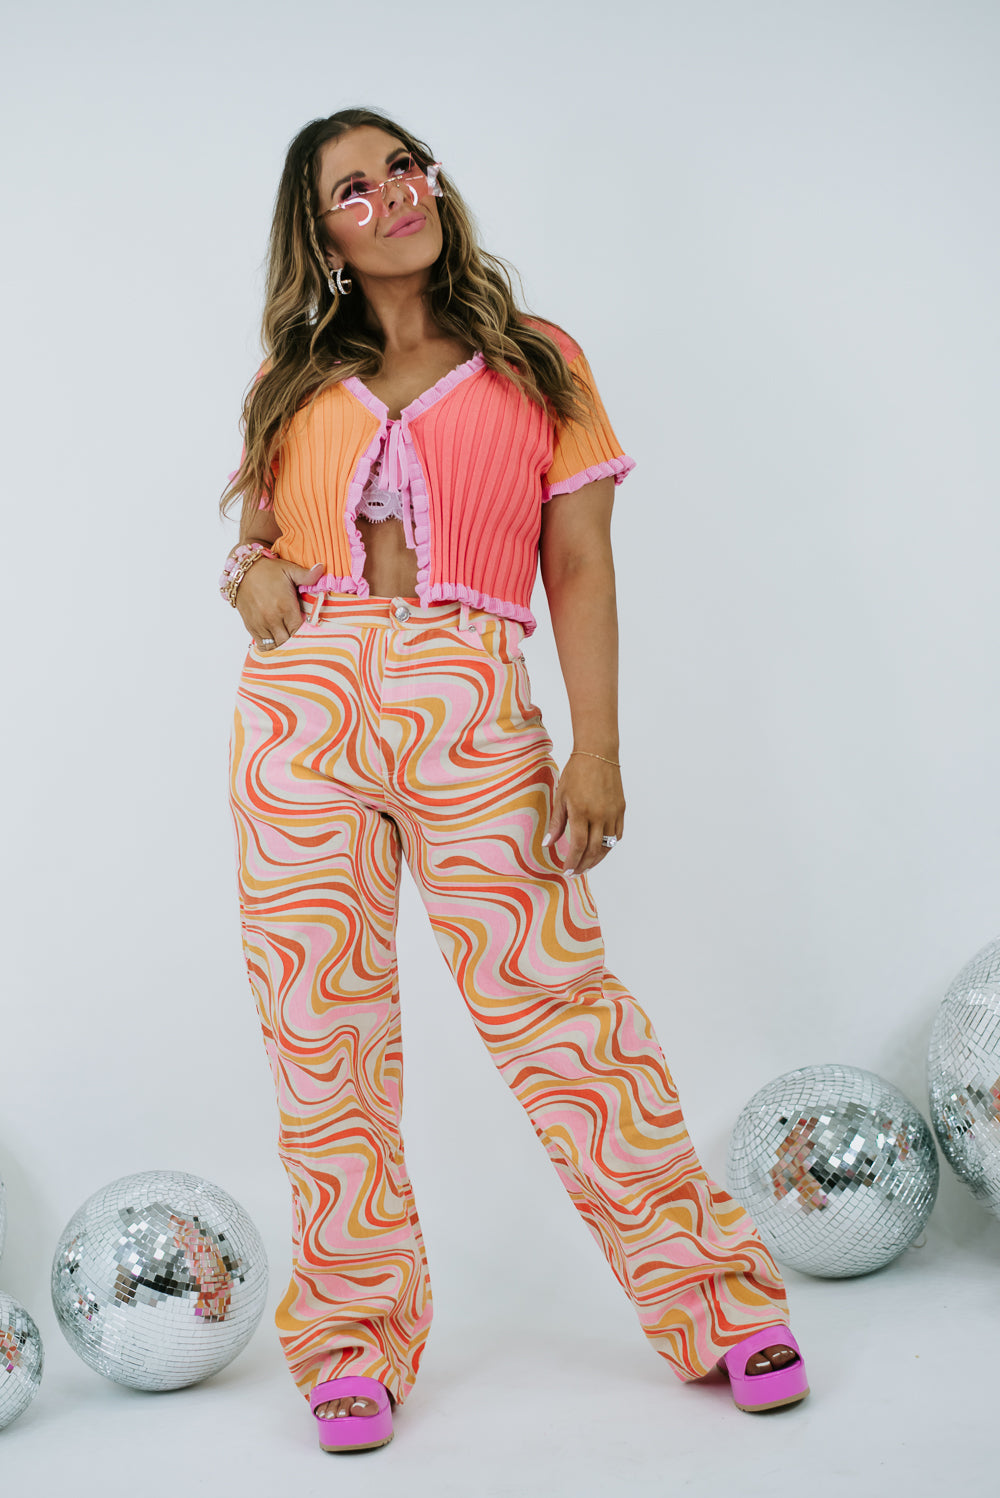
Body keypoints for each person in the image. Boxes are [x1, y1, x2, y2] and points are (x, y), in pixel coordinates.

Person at [220, 106, 809, 1454]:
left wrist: (596, 748)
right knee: (321, 1028)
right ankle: (351, 1339)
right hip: (302, 709)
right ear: (321, 235)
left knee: (560, 1012)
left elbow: (581, 562)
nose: (393, 195)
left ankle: (715, 1300)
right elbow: (256, 534)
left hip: (470, 694)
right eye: (355, 189)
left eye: (403, 167)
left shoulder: (538, 359)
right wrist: (248, 571)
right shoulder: (291, 372)